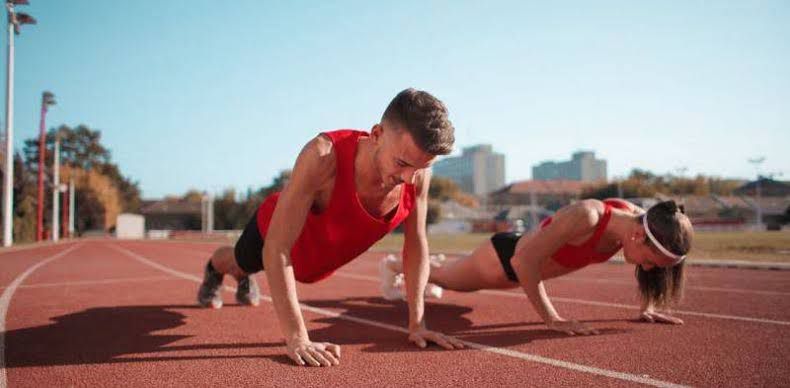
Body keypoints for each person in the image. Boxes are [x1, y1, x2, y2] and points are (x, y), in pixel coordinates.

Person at [196, 88, 464, 367]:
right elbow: (277, 248)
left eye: (420, 168)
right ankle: (215, 269)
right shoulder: (323, 156)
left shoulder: (418, 174)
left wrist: (417, 323)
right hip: (274, 235)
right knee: (241, 263)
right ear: (376, 134)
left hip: (318, 262)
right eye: (401, 163)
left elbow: (416, 244)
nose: (410, 179)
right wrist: (297, 337)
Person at [380, 198, 693, 335]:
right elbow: (523, 261)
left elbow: (652, 263)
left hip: (523, 262)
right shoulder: (588, 216)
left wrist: (647, 306)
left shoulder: (638, 221)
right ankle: (396, 265)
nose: (650, 269)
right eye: (652, 262)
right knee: (447, 282)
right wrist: (553, 319)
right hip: (503, 260)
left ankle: (429, 265)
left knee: (447, 282)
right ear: (638, 236)